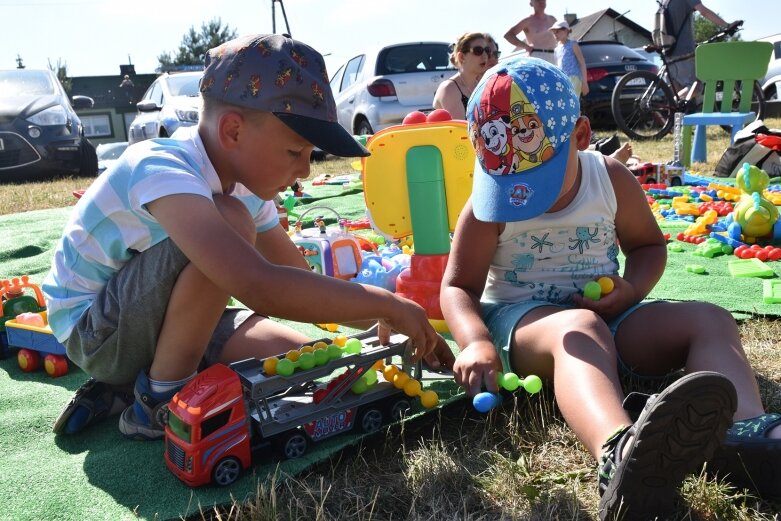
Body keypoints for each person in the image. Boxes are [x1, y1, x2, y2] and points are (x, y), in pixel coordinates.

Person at [44, 33, 453, 441]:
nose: (306, 171)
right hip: (96, 331)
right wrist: (384, 300)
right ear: (233, 132)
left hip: (159, 317)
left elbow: (296, 278)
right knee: (232, 221)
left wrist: (392, 321)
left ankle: (140, 379)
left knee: (302, 359)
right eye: (295, 153)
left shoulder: (243, 187)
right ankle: (157, 399)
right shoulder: (161, 167)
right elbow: (259, 286)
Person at [441, 57, 781, 519]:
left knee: (710, 318)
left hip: (611, 317)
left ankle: (743, 435)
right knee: (579, 327)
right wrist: (476, 341)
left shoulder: (609, 178)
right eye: (508, 182)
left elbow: (647, 248)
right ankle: (620, 455)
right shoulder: (487, 208)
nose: (520, 195)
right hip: (527, 326)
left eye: (534, 179)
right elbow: (458, 286)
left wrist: (631, 291)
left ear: (580, 138)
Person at [663, 0, 731, 96]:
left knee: (678, 95)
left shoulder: (665, 1)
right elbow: (704, 11)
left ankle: (673, 107)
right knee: (695, 87)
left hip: (668, 51)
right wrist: (727, 25)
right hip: (684, 52)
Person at [433, 32, 500, 120]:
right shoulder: (449, 88)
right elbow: (461, 131)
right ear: (461, 57)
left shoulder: (480, 86)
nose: (485, 56)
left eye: (487, 50)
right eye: (478, 51)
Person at [503, 0, 558, 64]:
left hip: (554, 56)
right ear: (531, 3)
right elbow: (508, 35)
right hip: (537, 56)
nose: (541, 2)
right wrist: (526, 47)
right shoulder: (527, 21)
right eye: (537, 0)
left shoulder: (552, 19)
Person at [549, 20, 588, 98]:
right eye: (554, 33)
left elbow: (582, 63)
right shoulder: (557, 49)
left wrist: (584, 82)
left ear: (566, 31)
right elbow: (557, 67)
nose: (555, 35)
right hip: (563, 79)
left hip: (574, 77)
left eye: (557, 32)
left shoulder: (572, 44)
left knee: (572, 102)